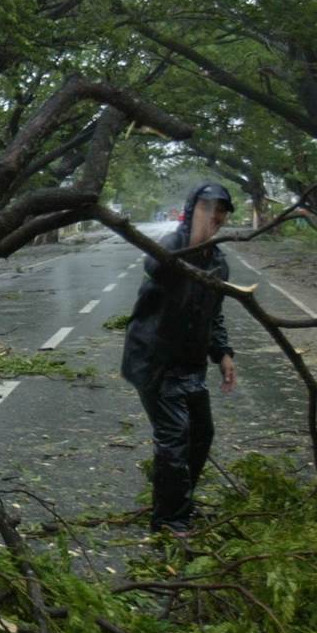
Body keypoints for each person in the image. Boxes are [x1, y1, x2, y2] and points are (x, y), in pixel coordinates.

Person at [121, 182, 238, 536]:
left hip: (190, 365)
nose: (215, 216)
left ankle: (177, 502)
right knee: (175, 437)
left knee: (202, 433)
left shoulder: (218, 262)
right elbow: (156, 266)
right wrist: (190, 242)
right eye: (208, 208)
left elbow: (213, 313)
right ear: (192, 210)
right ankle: (170, 521)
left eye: (221, 210)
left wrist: (223, 353)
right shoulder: (171, 248)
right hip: (155, 362)